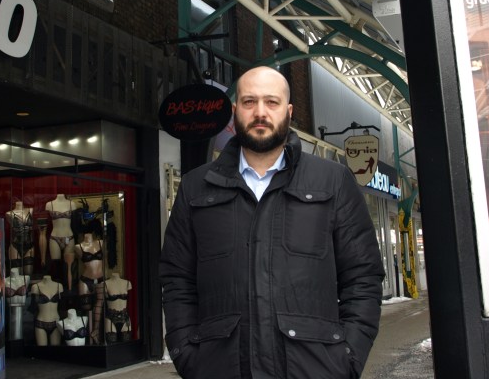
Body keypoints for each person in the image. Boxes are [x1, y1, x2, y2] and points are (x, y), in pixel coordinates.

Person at [159, 66, 384, 379]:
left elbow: (362, 277)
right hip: (220, 368)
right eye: (250, 102)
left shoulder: (332, 181)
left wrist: (347, 357)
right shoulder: (196, 187)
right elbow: (177, 279)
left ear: (288, 111)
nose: (260, 112)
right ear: (235, 110)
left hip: (314, 370)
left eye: (272, 102)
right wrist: (187, 355)